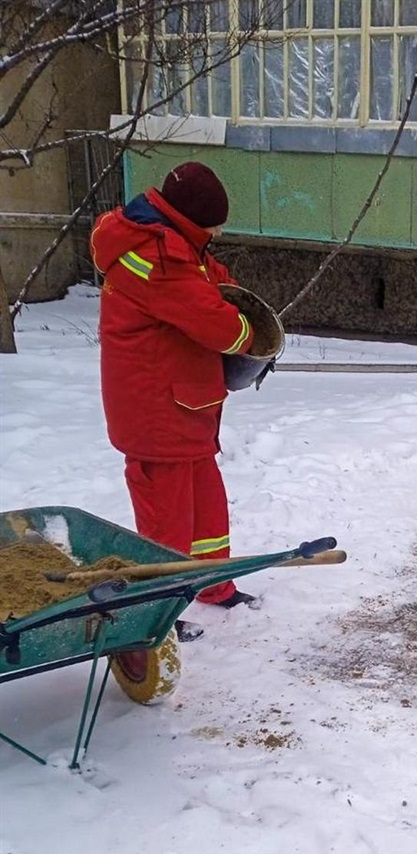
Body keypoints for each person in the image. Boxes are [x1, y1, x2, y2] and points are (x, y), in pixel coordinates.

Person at [90, 161, 258, 636]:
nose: (218, 232)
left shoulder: (175, 242)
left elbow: (209, 279)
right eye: (213, 226)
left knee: (207, 509)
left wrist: (234, 292)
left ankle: (213, 586)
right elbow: (213, 320)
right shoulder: (153, 254)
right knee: (165, 522)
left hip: (187, 404)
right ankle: (154, 613)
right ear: (189, 220)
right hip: (155, 410)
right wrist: (252, 333)